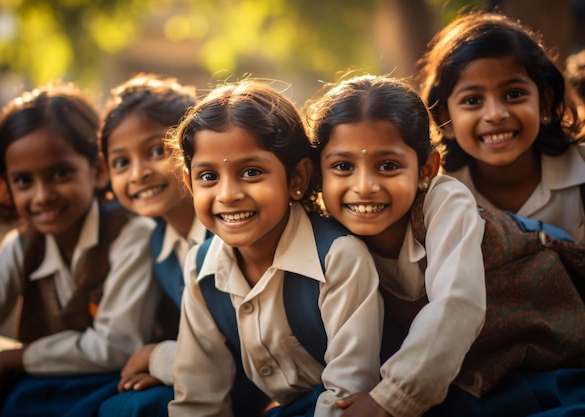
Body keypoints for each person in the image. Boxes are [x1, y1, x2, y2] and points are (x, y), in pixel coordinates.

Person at [308, 74, 585, 417]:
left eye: (389, 166)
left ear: (427, 169)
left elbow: (457, 304)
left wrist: (388, 400)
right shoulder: (325, 235)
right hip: (461, 371)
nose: (364, 186)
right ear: (317, 176)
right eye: (343, 166)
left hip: (541, 354)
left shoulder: (444, 202)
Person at [166, 79, 382, 417]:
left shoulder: (338, 257)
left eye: (251, 172)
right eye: (208, 176)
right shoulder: (201, 266)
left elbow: (349, 395)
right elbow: (198, 396)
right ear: (189, 182)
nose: (227, 195)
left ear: (296, 179)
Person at [0, 83, 156, 417]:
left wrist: (12, 359)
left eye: (60, 174)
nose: (42, 195)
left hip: (112, 384)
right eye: (24, 181)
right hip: (41, 387)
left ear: (97, 171)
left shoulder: (132, 235)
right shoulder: (23, 245)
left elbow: (117, 345)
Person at [415, 10, 585, 242]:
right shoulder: (438, 199)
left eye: (514, 94)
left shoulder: (581, 171)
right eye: (472, 100)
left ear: (544, 104)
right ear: (446, 119)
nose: (495, 115)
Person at [97, 73, 206, 417]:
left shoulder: (227, 232)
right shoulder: (159, 243)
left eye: (157, 151)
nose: (138, 173)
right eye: (121, 162)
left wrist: (156, 357)